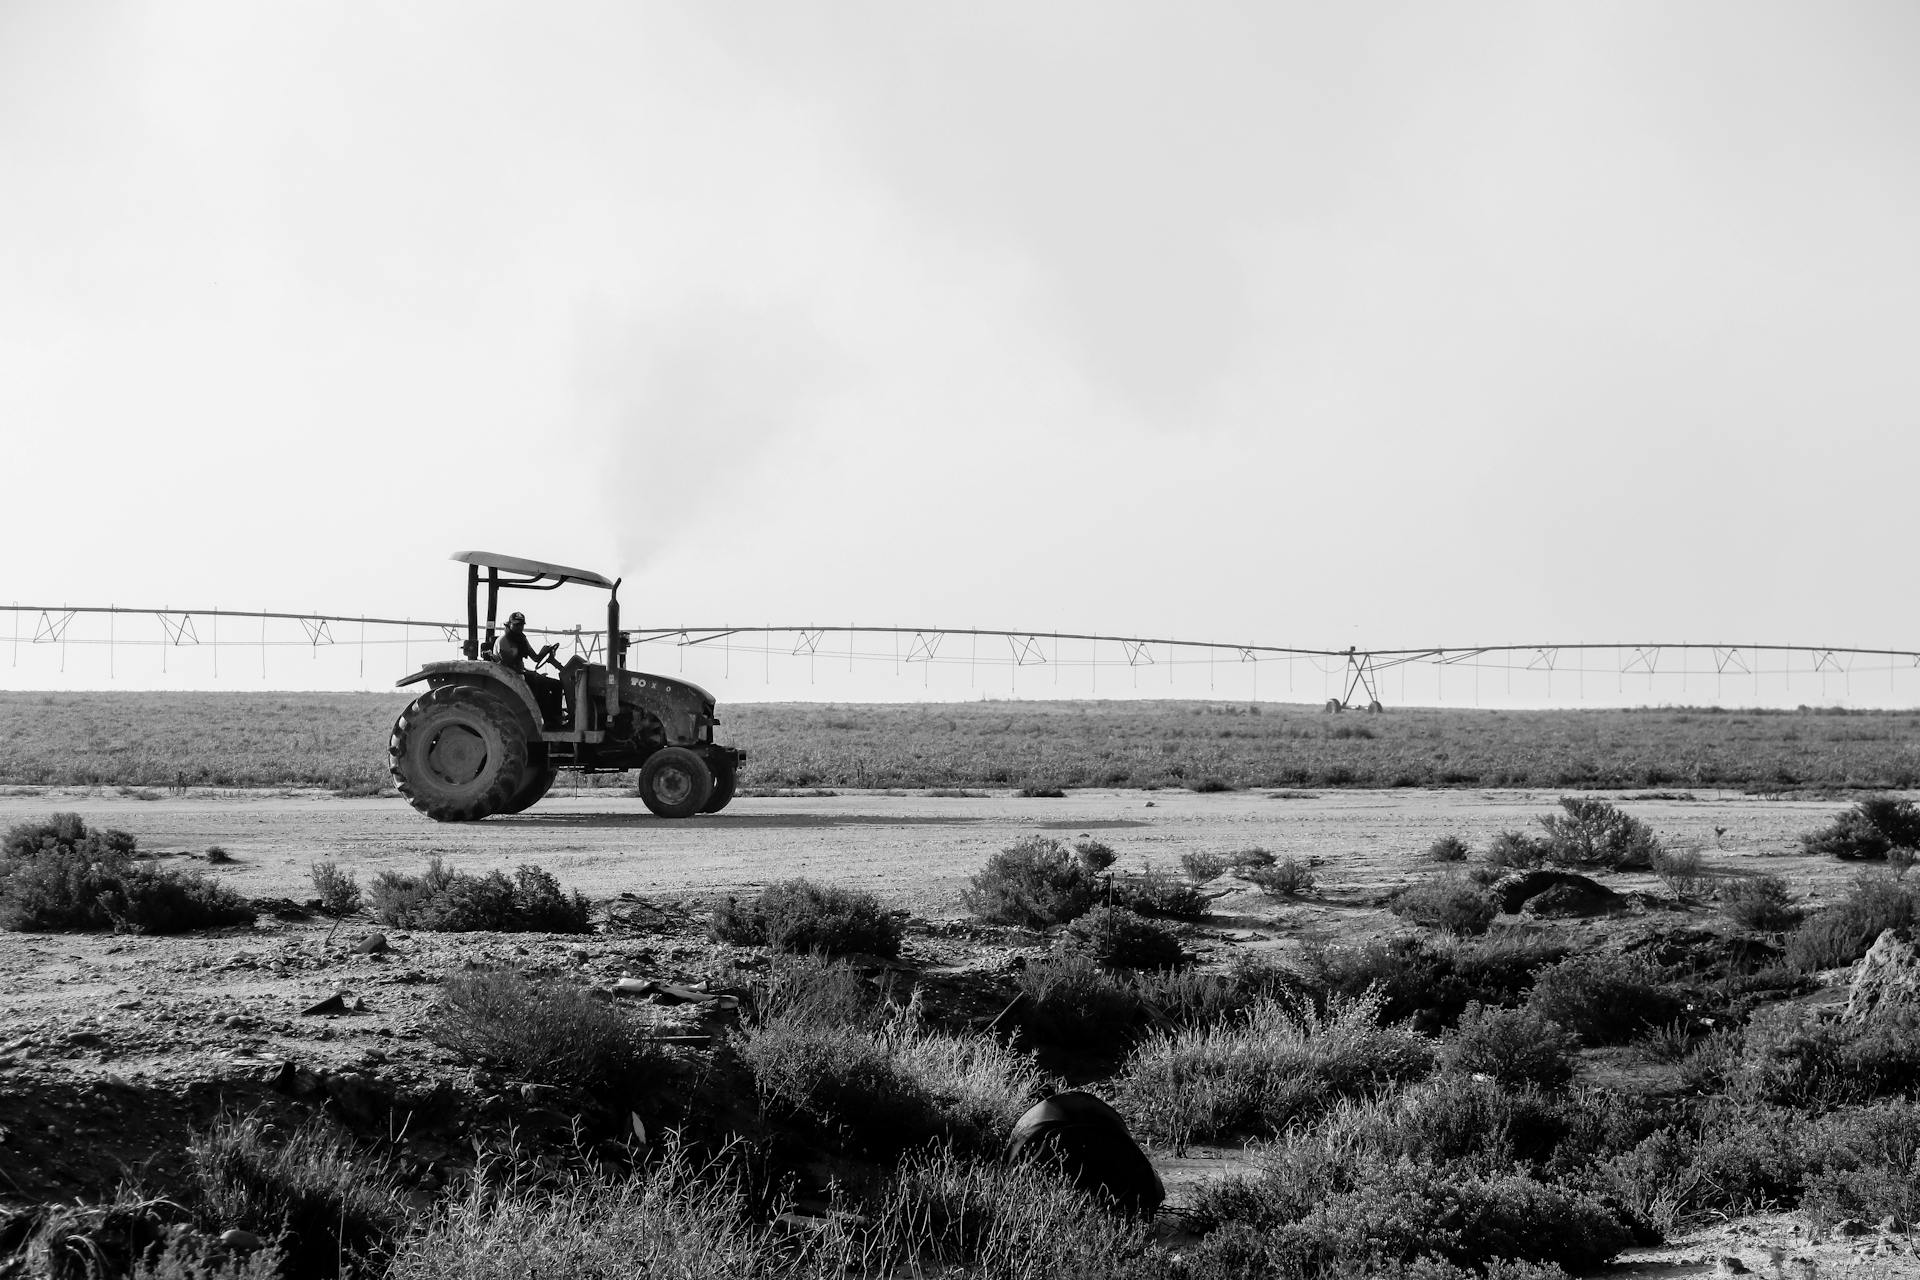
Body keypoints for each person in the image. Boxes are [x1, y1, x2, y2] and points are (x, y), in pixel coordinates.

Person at [494, 612, 564, 724]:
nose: (519, 627)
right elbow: (507, 665)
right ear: (510, 624)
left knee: (557, 684)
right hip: (510, 675)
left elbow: (535, 658)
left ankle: (557, 717)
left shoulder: (521, 639)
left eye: (521, 625)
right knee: (542, 685)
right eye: (516, 625)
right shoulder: (504, 641)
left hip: (521, 672)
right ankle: (549, 721)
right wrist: (532, 674)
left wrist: (544, 651)